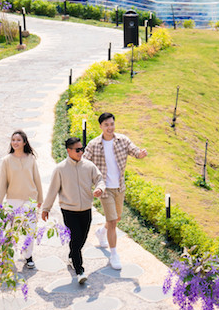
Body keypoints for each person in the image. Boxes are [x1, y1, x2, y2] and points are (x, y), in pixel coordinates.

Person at [84, 112, 147, 270]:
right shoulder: (93, 144)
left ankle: (101, 231)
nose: (110, 127)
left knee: (116, 218)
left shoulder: (122, 140)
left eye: (112, 124)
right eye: (106, 125)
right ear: (101, 126)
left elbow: (135, 151)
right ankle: (114, 254)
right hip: (104, 189)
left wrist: (140, 154)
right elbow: (84, 163)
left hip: (119, 187)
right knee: (112, 222)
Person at [41, 137, 105, 284]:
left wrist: (100, 188)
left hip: (86, 209)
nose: (81, 152)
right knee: (76, 238)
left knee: (82, 238)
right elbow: (52, 190)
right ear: (68, 150)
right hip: (69, 210)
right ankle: (79, 270)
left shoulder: (88, 166)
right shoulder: (60, 169)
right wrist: (46, 208)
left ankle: (72, 256)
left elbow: (99, 179)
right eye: (77, 150)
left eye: (82, 149)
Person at [0, 130, 44, 269]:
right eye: (13, 140)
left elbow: (37, 179)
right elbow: (2, 183)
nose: (15, 142)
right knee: (11, 230)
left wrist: (40, 199)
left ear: (24, 142)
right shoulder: (7, 160)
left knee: (30, 229)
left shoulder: (31, 159)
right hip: (13, 200)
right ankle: (9, 255)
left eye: (18, 140)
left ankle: (28, 256)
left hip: (30, 199)